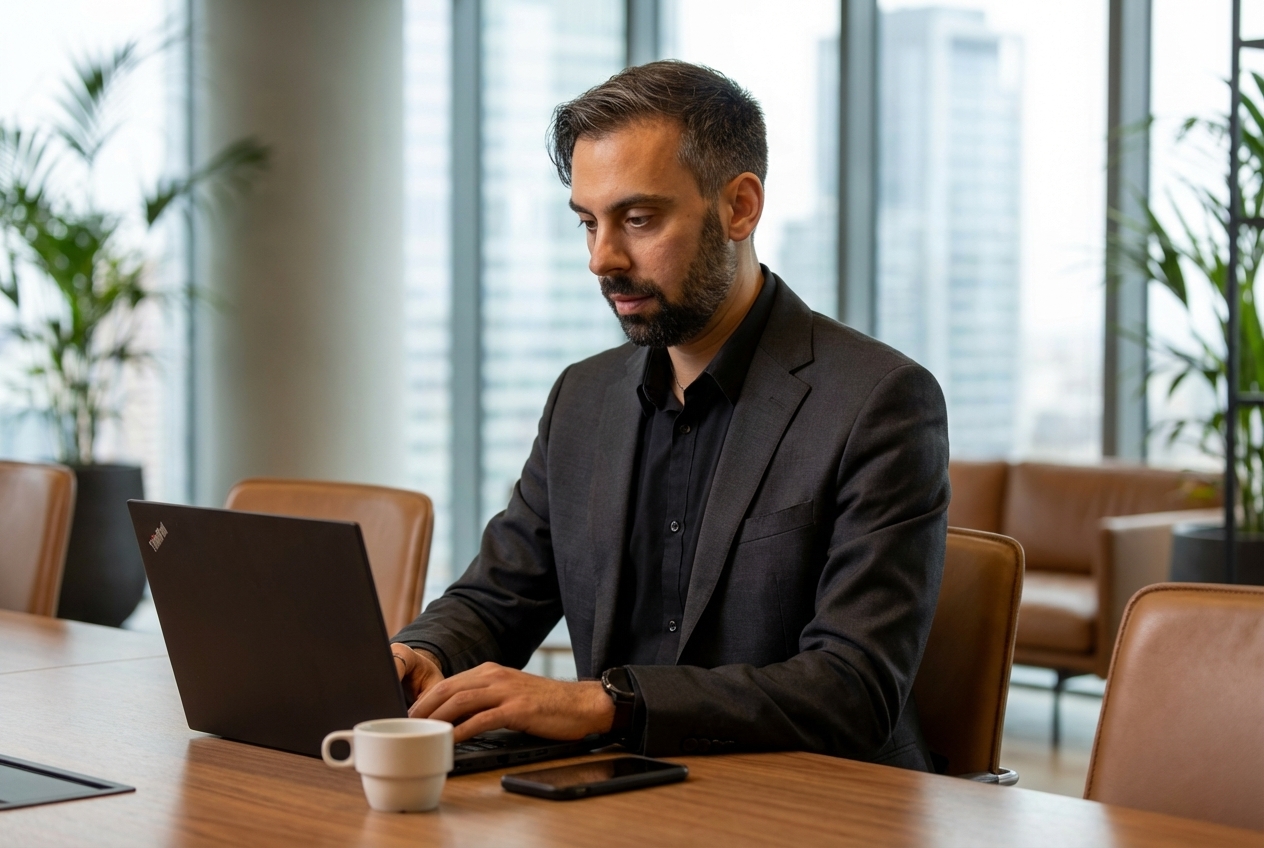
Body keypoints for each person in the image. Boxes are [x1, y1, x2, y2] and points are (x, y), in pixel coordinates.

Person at [391, 60, 949, 771]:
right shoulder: (582, 399)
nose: (602, 258)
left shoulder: (879, 400)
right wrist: (420, 652)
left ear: (739, 207)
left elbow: (853, 687)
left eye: (638, 218)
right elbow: (501, 593)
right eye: (588, 223)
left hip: (817, 805)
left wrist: (606, 703)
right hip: (621, 793)